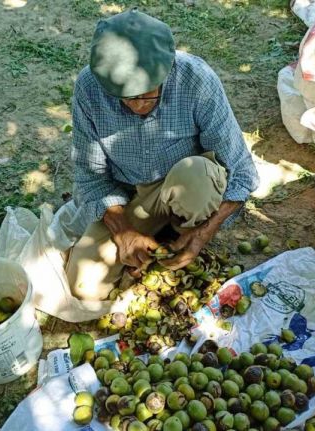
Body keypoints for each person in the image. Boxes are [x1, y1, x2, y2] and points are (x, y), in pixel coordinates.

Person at [66, 9, 259, 301]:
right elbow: (90, 177)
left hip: (186, 184)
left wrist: (202, 234)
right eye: (126, 98)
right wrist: (123, 230)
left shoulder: (196, 81)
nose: (137, 106)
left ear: (166, 71)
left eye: (147, 94)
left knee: (196, 176)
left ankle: (183, 230)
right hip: (130, 195)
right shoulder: (89, 89)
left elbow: (241, 172)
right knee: (85, 286)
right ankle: (157, 233)